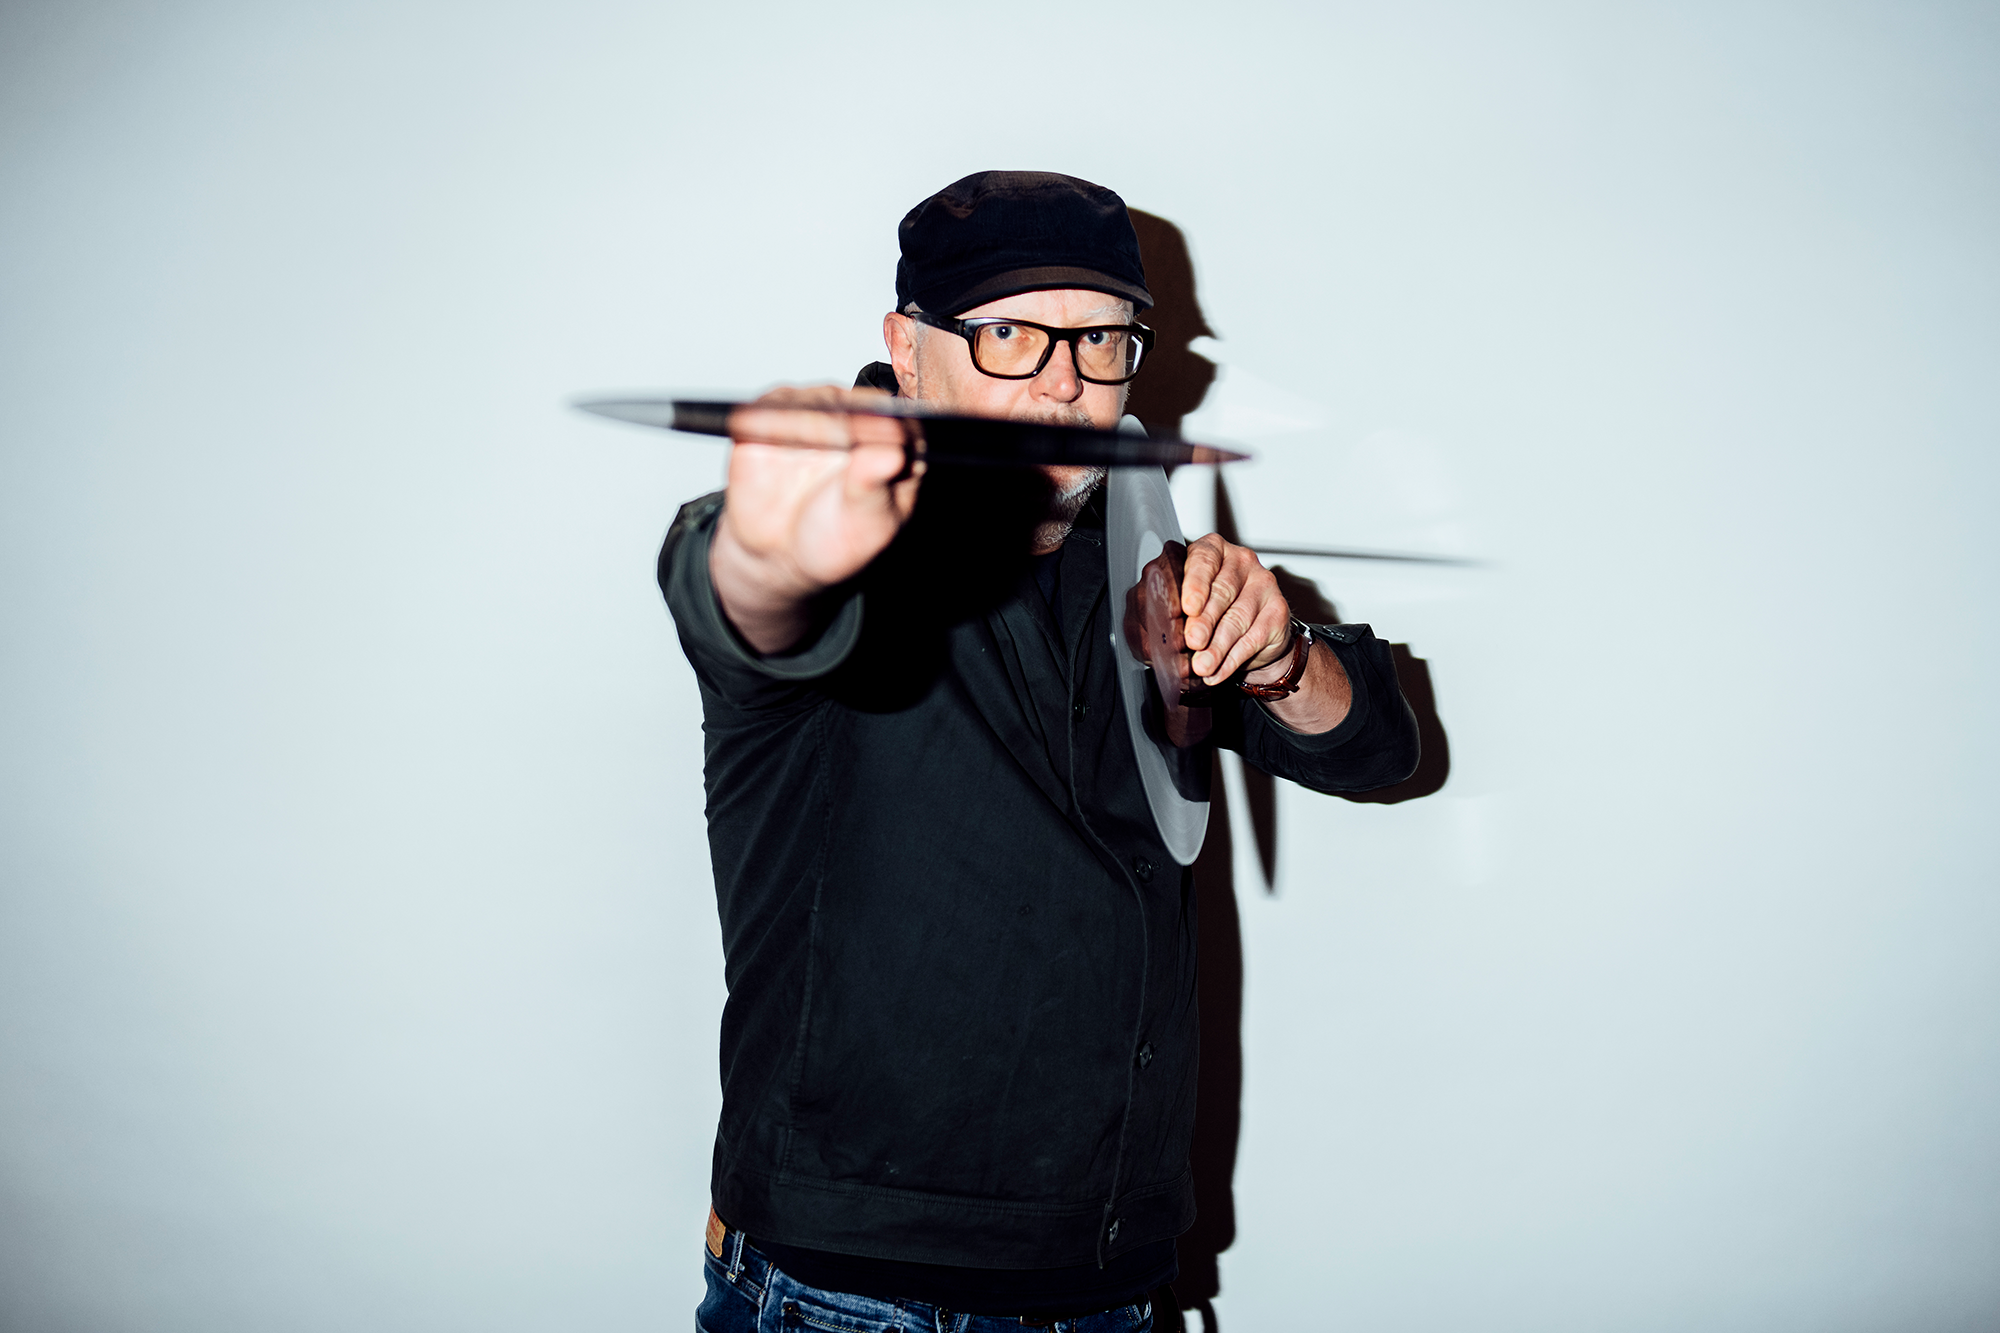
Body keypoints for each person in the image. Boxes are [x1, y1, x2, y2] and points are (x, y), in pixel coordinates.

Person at [662, 171, 1420, 1332]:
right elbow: (738, 594)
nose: (1063, 382)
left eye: (1101, 339)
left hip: (1112, 1281)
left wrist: (1276, 656)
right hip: (849, 1295)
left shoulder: (1150, 563)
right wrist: (774, 553)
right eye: (1009, 334)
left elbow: (1373, 745)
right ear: (907, 351)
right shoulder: (836, 544)